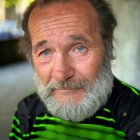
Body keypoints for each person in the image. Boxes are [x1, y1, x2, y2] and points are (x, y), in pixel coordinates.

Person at [9, 0, 140, 140]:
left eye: (79, 48)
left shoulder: (134, 111)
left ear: (108, 45)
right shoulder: (27, 111)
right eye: (45, 52)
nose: (61, 74)